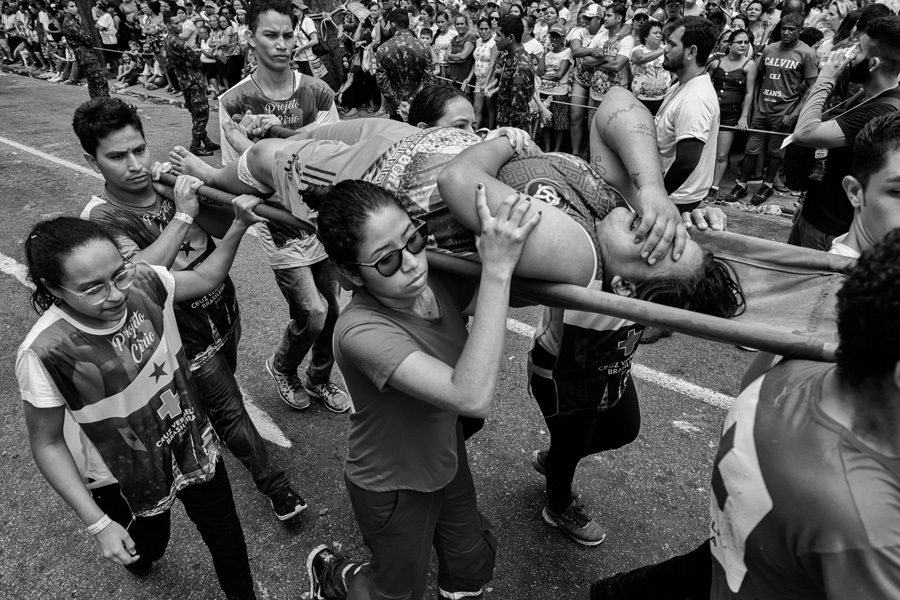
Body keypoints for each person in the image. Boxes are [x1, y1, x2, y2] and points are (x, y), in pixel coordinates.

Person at [73, 97, 308, 522]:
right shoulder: (101, 220)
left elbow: (219, 228)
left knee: (223, 397)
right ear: (92, 161)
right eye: (117, 156)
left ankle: (211, 419)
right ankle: (275, 486)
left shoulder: (169, 181)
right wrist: (183, 215)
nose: (135, 164)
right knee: (231, 411)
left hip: (222, 310)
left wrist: (212, 193)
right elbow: (141, 275)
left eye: (139, 149)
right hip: (181, 336)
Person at [301, 181, 539, 600]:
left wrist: (508, 141)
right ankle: (334, 576)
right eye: (388, 261)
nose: (412, 263)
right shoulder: (359, 331)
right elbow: (471, 396)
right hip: (391, 483)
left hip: (445, 456)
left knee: (471, 569)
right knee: (394, 593)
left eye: (413, 239)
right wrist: (496, 271)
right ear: (349, 274)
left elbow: (530, 284)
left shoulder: (436, 279)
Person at [17, 206, 262, 598]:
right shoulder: (45, 350)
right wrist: (99, 524)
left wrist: (238, 226)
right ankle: (141, 557)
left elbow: (203, 277)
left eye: (119, 273)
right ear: (53, 288)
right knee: (147, 548)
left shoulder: (145, 284)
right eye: (93, 288)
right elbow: (46, 442)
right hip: (123, 472)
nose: (115, 295)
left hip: (190, 440)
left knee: (229, 542)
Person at [216, 0, 350, 414]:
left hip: (321, 216)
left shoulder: (318, 90)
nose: (282, 44)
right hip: (278, 222)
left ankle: (320, 378)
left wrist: (269, 143)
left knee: (333, 312)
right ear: (251, 39)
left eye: (288, 34)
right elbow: (237, 173)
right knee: (311, 312)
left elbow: (331, 156)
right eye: (271, 35)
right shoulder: (234, 101)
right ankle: (284, 366)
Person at [787, 16, 900, 250]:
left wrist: (826, 76)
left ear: (873, 64)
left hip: (829, 230)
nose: (848, 55)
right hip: (816, 211)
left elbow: (804, 133)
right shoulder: (868, 95)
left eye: (857, 50)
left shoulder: (883, 109)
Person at [722, 12, 817, 206]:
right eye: (784, 28)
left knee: (775, 152)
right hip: (762, 108)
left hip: (784, 111)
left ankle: (768, 184)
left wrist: (793, 114)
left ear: (800, 31)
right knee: (751, 150)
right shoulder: (770, 49)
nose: (786, 33)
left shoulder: (806, 53)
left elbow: (812, 87)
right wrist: (755, 104)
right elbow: (758, 77)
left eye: (791, 29)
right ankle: (742, 184)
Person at [655, 16, 720, 213]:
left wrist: (658, 196)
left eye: (672, 44)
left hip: (677, 200)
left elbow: (687, 161)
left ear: (691, 52)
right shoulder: (682, 84)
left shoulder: (695, 99)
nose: (665, 49)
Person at [707, 29, 756, 201]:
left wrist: (744, 117)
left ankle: (714, 187)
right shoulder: (715, 62)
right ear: (729, 44)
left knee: (721, 154)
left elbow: (749, 93)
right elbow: (704, 85)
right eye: (739, 42)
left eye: (746, 42)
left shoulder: (749, 65)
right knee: (704, 150)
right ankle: (698, 183)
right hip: (710, 113)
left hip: (730, 115)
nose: (743, 45)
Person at [164, 10, 219, 156]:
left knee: (195, 112)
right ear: (168, 25)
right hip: (193, 80)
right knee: (201, 114)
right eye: (176, 23)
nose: (180, 25)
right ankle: (195, 146)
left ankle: (205, 140)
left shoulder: (167, 40)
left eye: (180, 22)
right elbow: (196, 60)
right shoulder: (178, 41)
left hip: (183, 80)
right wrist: (194, 54)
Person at [375, 8, 434, 121]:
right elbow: (428, 80)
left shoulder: (382, 49)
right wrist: (410, 102)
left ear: (393, 24)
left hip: (396, 108)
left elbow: (382, 82)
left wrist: (399, 104)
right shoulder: (424, 47)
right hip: (418, 105)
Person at [582, 3, 635, 110]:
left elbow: (616, 65)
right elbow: (585, 61)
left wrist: (595, 64)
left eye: (609, 16)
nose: (604, 18)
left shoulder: (627, 40)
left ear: (619, 18)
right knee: (591, 126)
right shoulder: (599, 36)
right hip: (595, 94)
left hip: (616, 96)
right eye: (605, 15)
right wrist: (605, 58)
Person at [568, 3, 604, 157]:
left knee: (593, 123)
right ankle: (575, 153)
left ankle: (588, 152)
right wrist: (592, 50)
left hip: (598, 83)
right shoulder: (579, 31)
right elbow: (576, 51)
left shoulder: (606, 33)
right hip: (580, 80)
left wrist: (590, 54)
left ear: (599, 19)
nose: (587, 21)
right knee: (575, 116)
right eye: (585, 18)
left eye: (590, 18)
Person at [492, 15, 534, 129]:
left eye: (498, 35)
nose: (495, 39)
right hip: (505, 125)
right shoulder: (510, 58)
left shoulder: (520, 68)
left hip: (513, 132)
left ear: (510, 38)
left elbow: (519, 111)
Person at [61, 0, 109, 97]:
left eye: (75, 6)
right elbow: (88, 38)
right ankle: (105, 104)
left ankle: (96, 105)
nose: (75, 8)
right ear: (65, 9)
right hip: (85, 55)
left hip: (83, 54)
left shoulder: (73, 20)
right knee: (99, 81)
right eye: (71, 6)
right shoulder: (70, 22)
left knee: (92, 82)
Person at [537, 22, 571, 151]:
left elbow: (559, 74)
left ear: (563, 38)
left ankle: (557, 149)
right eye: (553, 36)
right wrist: (544, 54)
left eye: (558, 36)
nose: (555, 39)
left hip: (559, 92)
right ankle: (547, 147)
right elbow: (539, 72)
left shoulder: (567, 52)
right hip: (544, 91)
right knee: (546, 122)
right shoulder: (546, 52)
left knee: (559, 123)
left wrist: (543, 76)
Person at [629, 18, 668, 115]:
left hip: (663, 99)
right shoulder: (637, 50)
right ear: (646, 36)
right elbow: (641, 58)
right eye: (655, 33)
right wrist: (664, 50)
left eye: (660, 33)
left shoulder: (666, 49)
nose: (659, 35)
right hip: (641, 99)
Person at [472, 16, 499, 129]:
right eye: (481, 29)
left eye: (486, 29)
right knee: (477, 108)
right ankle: (475, 131)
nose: (483, 32)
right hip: (478, 78)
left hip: (490, 78)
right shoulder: (478, 41)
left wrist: (487, 83)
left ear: (491, 29)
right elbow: (475, 61)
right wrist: (469, 78)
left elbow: (492, 63)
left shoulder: (494, 41)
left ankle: (491, 131)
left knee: (490, 107)